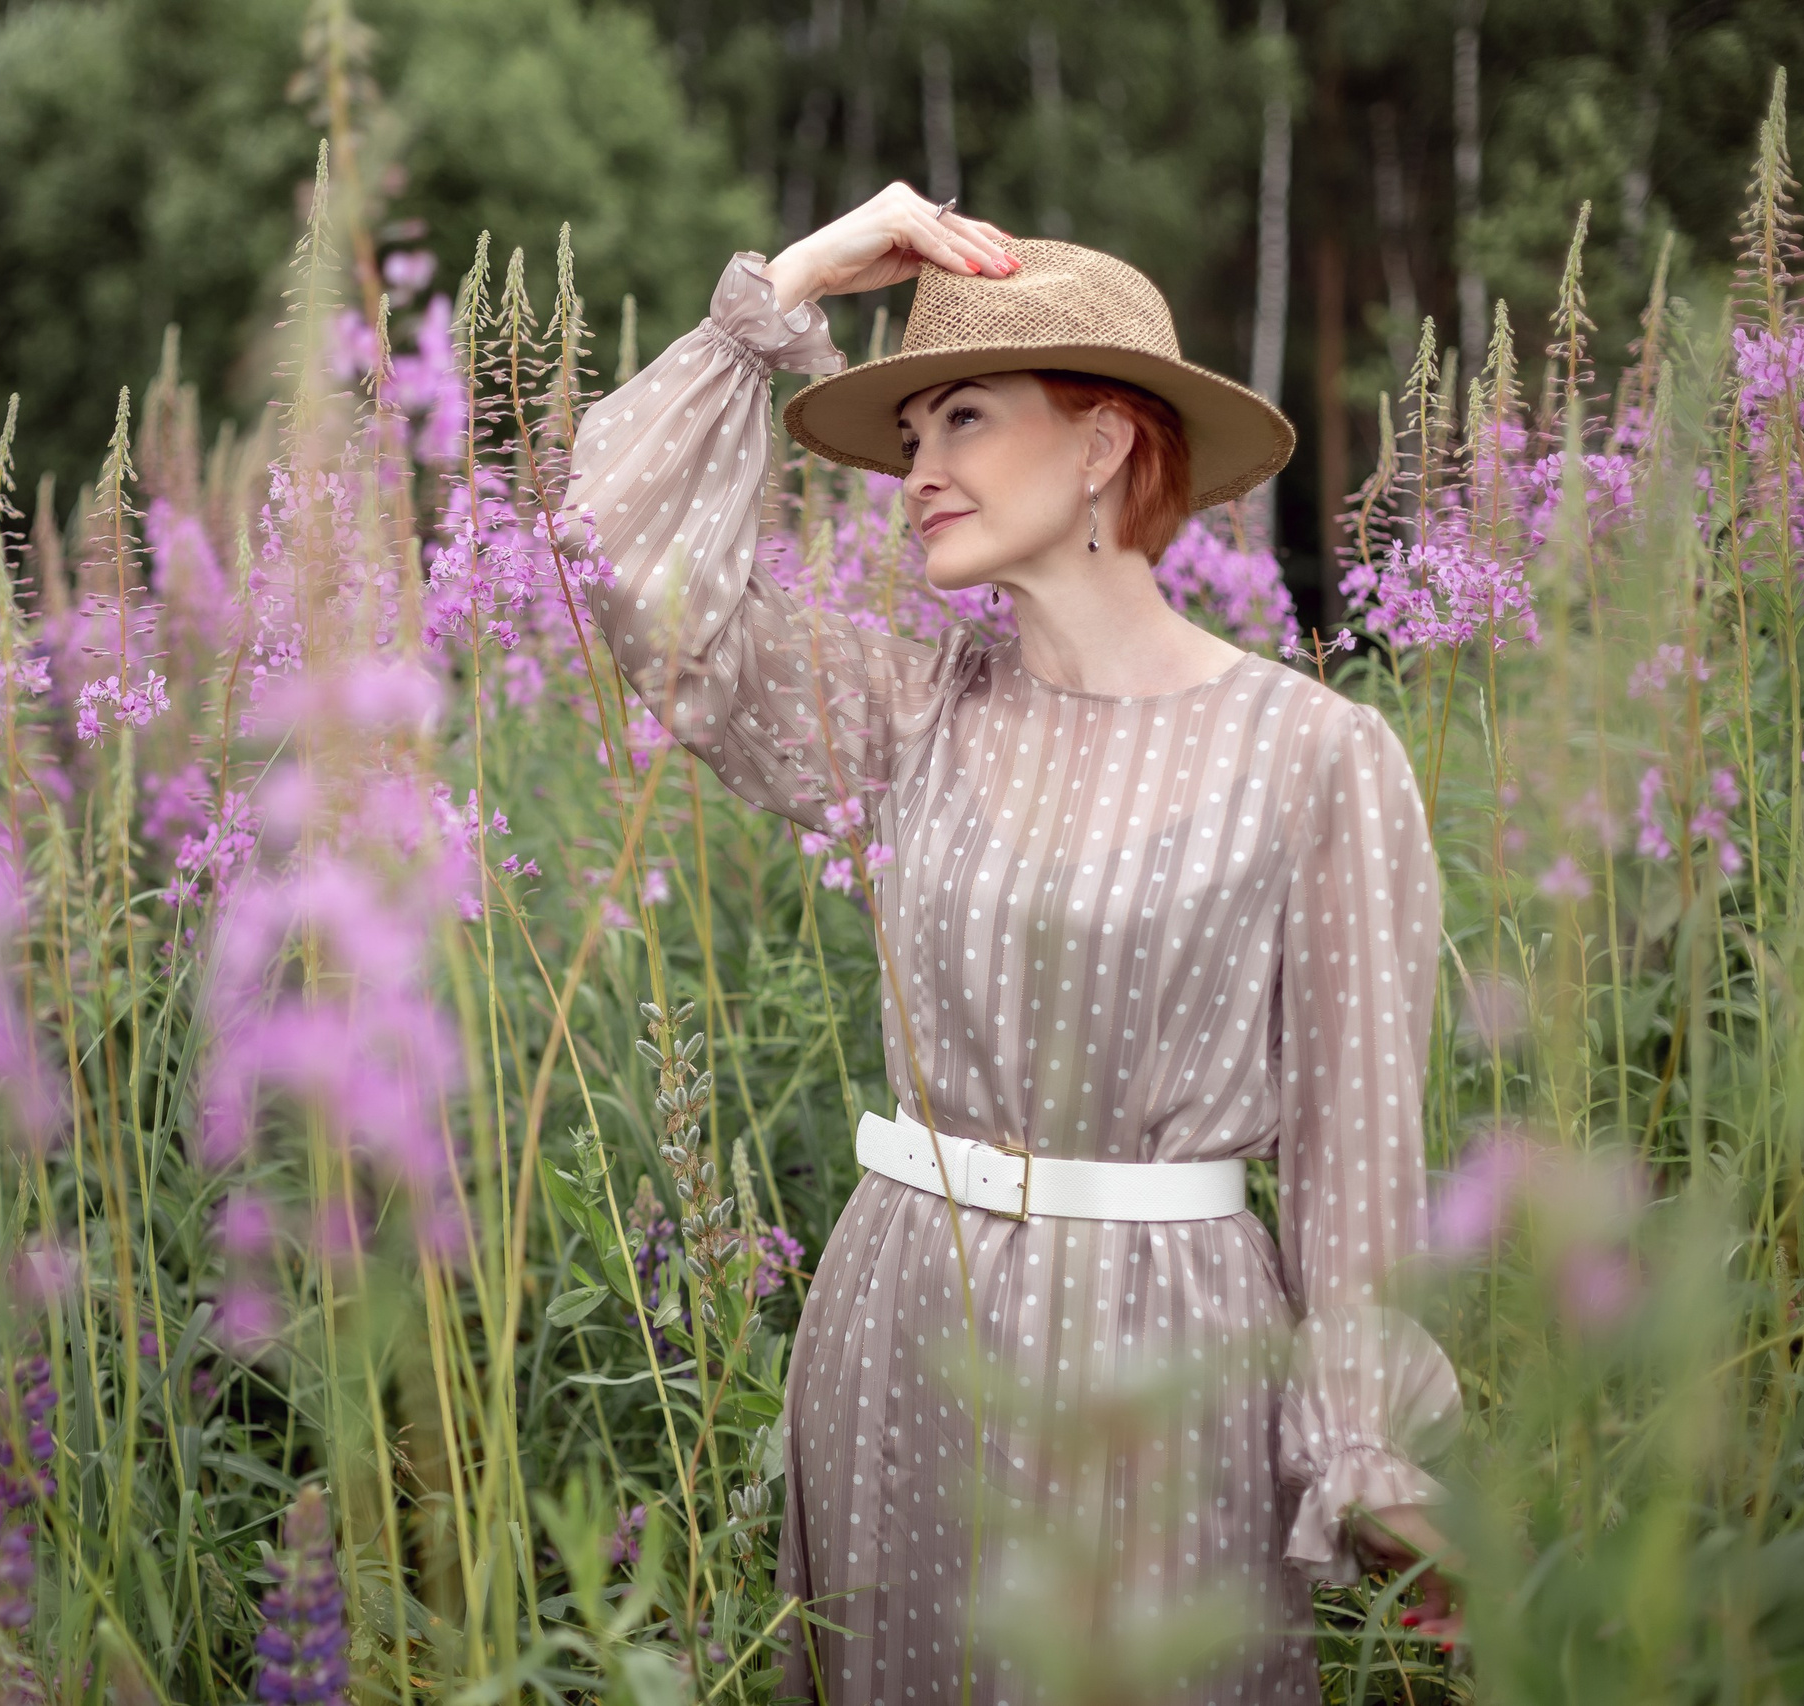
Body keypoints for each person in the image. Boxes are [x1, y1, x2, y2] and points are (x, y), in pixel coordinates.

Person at [560, 184, 1465, 1704]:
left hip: (1166, 1364)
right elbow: (622, 574)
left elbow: (1355, 1151)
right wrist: (785, 290)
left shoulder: (1315, 753)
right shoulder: (919, 709)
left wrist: (1372, 1462)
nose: (917, 470)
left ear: (1107, 438)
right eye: (909, 436)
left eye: (964, 418)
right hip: (900, 1331)